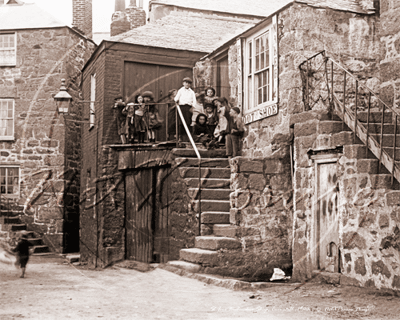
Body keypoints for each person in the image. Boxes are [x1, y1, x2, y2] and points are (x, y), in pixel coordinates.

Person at [174, 77, 196, 141]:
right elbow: (176, 98)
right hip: (181, 107)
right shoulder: (180, 90)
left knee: (188, 122)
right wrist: (176, 100)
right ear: (183, 83)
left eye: (189, 83)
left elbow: (194, 101)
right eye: (186, 83)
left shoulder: (192, 92)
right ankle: (180, 136)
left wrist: (192, 107)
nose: (187, 84)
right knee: (180, 122)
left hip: (188, 108)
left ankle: (188, 136)